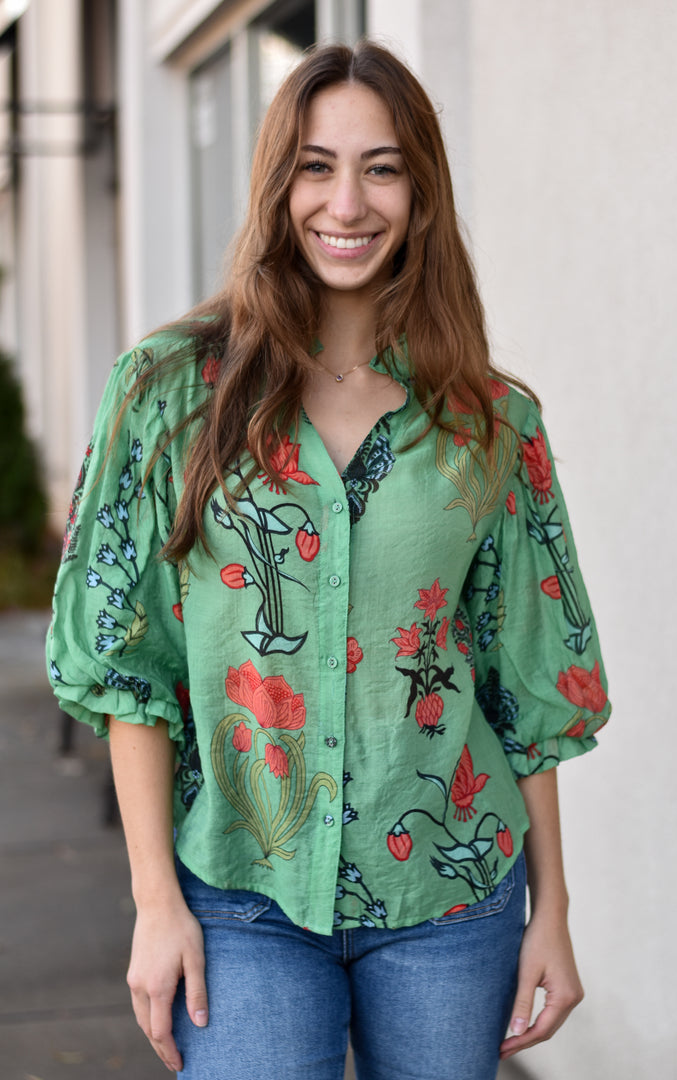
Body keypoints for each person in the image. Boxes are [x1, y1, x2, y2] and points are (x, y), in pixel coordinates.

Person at [47, 40, 610, 1080]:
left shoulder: (491, 421)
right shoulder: (170, 394)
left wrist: (555, 911)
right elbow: (132, 667)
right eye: (315, 164)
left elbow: (527, 682)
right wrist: (154, 902)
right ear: (276, 183)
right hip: (239, 892)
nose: (346, 201)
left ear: (421, 192)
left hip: (450, 901)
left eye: (382, 167)